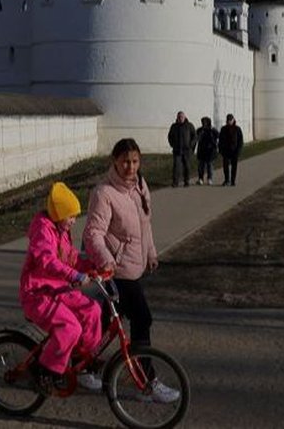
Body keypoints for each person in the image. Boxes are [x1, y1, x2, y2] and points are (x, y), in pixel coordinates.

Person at [83, 138, 179, 404]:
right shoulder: (104, 192)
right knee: (142, 320)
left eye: (135, 161)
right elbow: (93, 233)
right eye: (125, 161)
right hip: (118, 271)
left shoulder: (139, 185)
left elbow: (144, 225)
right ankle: (147, 381)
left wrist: (151, 253)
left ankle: (82, 364)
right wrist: (105, 259)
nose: (130, 167)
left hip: (135, 267)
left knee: (102, 321)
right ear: (114, 160)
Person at [19, 182, 102, 394]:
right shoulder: (43, 230)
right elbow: (46, 260)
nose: (74, 221)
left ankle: (80, 363)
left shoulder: (62, 230)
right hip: (38, 294)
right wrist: (74, 275)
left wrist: (93, 267)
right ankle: (44, 371)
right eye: (71, 216)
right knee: (70, 327)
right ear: (58, 214)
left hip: (60, 290)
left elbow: (71, 258)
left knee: (92, 310)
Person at [167, 111, 196, 187]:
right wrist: (172, 144)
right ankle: (175, 182)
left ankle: (186, 181)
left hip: (187, 150)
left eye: (181, 117)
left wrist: (191, 145)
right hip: (177, 150)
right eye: (179, 117)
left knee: (187, 167)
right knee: (176, 167)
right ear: (177, 118)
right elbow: (170, 136)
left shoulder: (189, 126)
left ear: (184, 117)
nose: (180, 118)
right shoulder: (174, 126)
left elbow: (194, 136)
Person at [218, 113, 244, 186]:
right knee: (225, 166)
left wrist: (238, 150)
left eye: (230, 120)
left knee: (234, 167)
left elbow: (240, 141)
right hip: (226, 151)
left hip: (234, 151)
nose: (229, 121)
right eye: (228, 120)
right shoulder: (223, 129)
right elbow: (220, 140)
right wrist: (220, 150)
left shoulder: (237, 129)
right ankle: (226, 180)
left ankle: (233, 181)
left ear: (233, 120)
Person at [195, 117, 219, 185]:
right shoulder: (200, 130)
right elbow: (197, 138)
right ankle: (200, 178)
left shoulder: (212, 130)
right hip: (202, 150)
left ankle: (210, 179)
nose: (204, 124)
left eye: (205, 122)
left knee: (209, 165)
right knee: (201, 166)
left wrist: (212, 130)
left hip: (210, 150)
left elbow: (218, 135)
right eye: (203, 122)